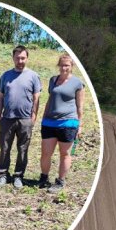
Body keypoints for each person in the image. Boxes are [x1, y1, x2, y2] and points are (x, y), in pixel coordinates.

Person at [0, 45, 41, 190]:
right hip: (7, 118)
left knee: (23, 149)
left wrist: (33, 116)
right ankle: (3, 175)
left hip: (25, 119)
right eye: (17, 58)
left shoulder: (33, 76)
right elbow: (1, 97)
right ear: (13, 58)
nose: (20, 60)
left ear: (27, 58)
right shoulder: (5, 76)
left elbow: (36, 98)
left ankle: (18, 176)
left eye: (23, 58)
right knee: (4, 148)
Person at [38, 53, 84, 194]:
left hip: (68, 122)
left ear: (72, 66)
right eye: (62, 65)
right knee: (46, 153)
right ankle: (43, 177)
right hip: (49, 122)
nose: (64, 68)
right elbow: (50, 100)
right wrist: (43, 117)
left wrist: (80, 125)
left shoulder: (77, 83)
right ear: (59, 65)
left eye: (67, 65)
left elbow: (80, 106)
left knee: (65, 154)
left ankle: (60, 181)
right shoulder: (53, 80)